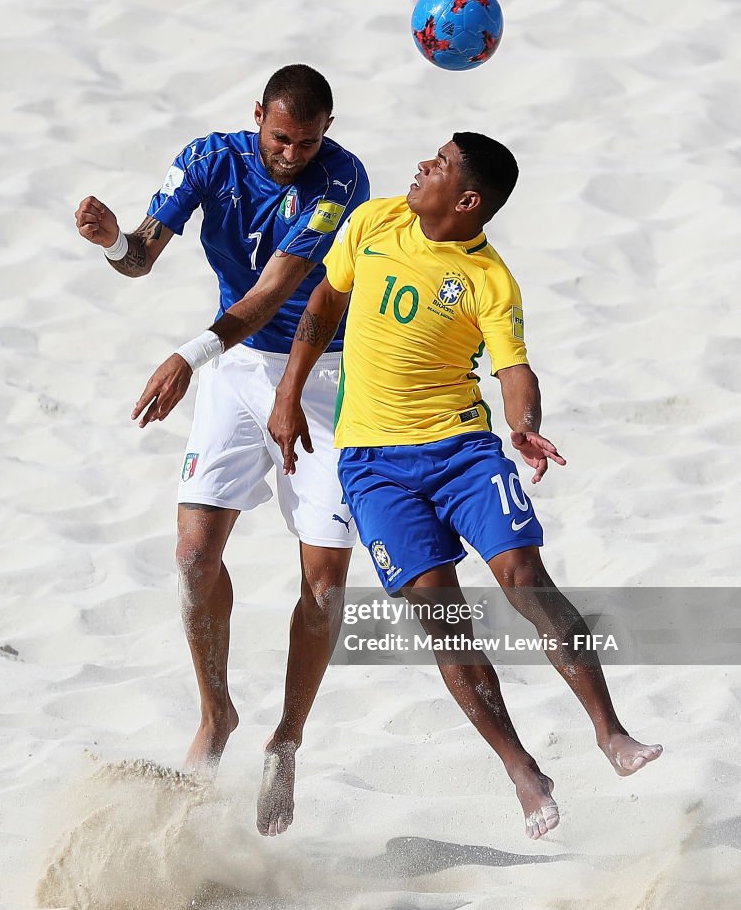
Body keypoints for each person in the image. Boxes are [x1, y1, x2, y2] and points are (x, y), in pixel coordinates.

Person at [267, 132, 662, 840]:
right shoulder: (374, 221)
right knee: (445, 625)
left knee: (525, 579)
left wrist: (526, 424)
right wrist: (289, 393)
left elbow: (514, 369)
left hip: (462, 451)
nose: (423, 165)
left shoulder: (490, 279)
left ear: (468, 200)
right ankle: (522, 770)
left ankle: (611, 733)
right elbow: (325, 303)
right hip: (373, 465)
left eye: (441, 165)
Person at [74, 64, 369, 836]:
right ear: (257, 119)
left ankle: (288, 738)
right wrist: (113, 244)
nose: (292, 154)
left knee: (325, 583)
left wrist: (186, 356)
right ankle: (218, 715)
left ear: (326, 133)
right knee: (195, 554)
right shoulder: (211, 158)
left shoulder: (343, 180)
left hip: (323, 375)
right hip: (236, 371)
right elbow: (143, 257)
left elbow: (275, 291)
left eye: (307, 141)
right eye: (280, 138)